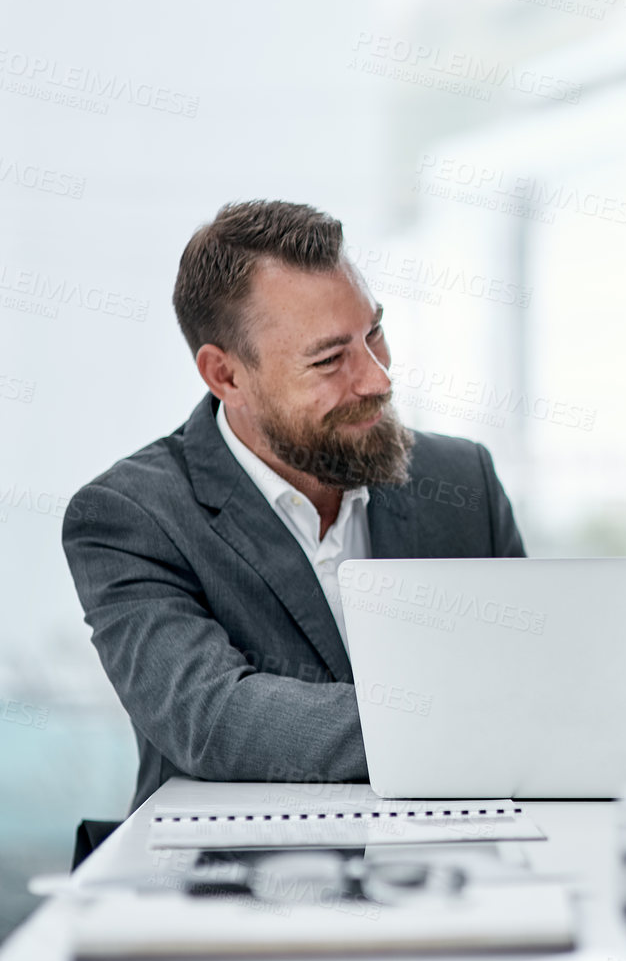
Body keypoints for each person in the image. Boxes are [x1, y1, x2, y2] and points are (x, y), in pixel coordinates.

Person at [64, 201, 526, 810]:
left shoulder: (462, 480)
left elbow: (530, 681)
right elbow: (213, 717)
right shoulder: (130, 515)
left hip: (454, 862)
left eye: (375, 334)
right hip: (230, 884)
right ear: (226, 376)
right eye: (331, 359)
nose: (378, 379)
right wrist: (463, 724)